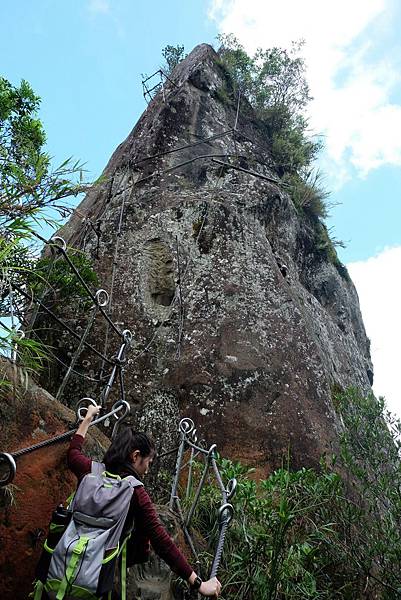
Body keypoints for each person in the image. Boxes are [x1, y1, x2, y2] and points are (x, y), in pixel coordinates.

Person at [67, 404, 221, 598]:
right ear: (136, 456)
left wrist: (87, 419)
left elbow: (73, 455)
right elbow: (162, 541)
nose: (147, 470)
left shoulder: (91, 470)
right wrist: (199, 584)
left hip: (66, 562)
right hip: (97, 577)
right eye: (148, 462)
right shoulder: (134, 491)